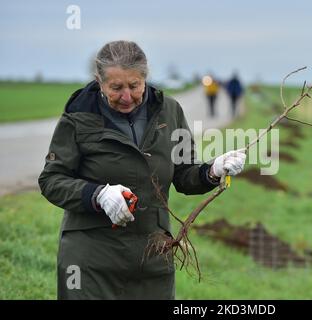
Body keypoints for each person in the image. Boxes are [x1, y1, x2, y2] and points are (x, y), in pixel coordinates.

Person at [38, 40, 246, 300]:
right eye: (116, 88)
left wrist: (212, 171)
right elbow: (52, 180)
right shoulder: (78, 117)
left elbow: (184, 175)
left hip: (152, 258)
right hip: (90, 262)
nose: (126, 96)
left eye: (134, 86)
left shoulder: (169, 112)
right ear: (99, 82)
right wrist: (97, 194)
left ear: (145, 78)